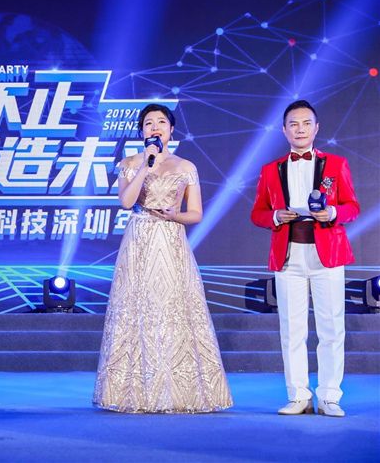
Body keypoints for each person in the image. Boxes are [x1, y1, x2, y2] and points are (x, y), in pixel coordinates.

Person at [93, 103, 232, 413]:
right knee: (135, 307)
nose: (154, 127)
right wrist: (146, 165)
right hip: (139, 239)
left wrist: (175, 215)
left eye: (160, 122)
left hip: (170, 239)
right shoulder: (130, 163)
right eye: (148, 123)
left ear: (171, 129)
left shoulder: (186, 166)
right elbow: (126, 202)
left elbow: (195, 213)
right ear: (141, 131)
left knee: (173, 308)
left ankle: (180, 391)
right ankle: (131, 392)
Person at [251, 100, 359, 417]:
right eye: (294, 124)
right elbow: (257, 213)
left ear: (316, 127)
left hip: (328, 253)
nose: (300, 129)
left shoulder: (336, 164)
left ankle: (329, 396)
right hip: (289, 255)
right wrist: (275, 216)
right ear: (284, 130)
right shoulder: (270, 170)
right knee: (292, 329)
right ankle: (298, 395)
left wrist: (333, 212)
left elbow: (353, 207)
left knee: (331, 327)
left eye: (306, 123)